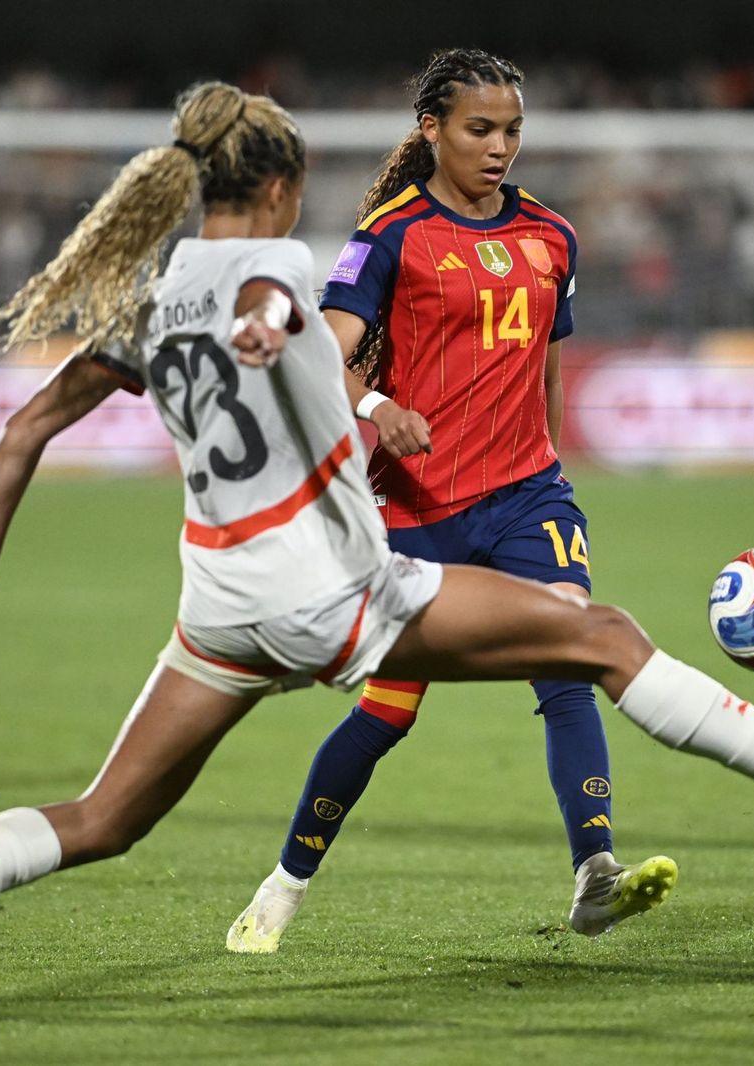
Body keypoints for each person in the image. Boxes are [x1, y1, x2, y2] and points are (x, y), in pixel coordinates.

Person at [0, 81, 754, 1010]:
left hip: (217, 606)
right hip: (331, 594)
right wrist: (312, 356)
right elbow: (281, 318)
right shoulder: (279, 270)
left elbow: (26, 426)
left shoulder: (152, 294)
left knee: (100, 819)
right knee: (601, 635)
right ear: (279, 187)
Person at [226, 48, 657, 953]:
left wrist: (551, 470)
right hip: (419, 510)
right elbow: (324, 353)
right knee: (388, 712)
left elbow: (547, 369)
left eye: (513, 131)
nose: (500, 147)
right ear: (432, 130)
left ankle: (595, 870)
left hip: (528, 498)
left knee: (570, 658)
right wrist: (378, 408)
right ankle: (283, 885)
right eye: (480, 129)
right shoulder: (391, 234)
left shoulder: (552, 236)